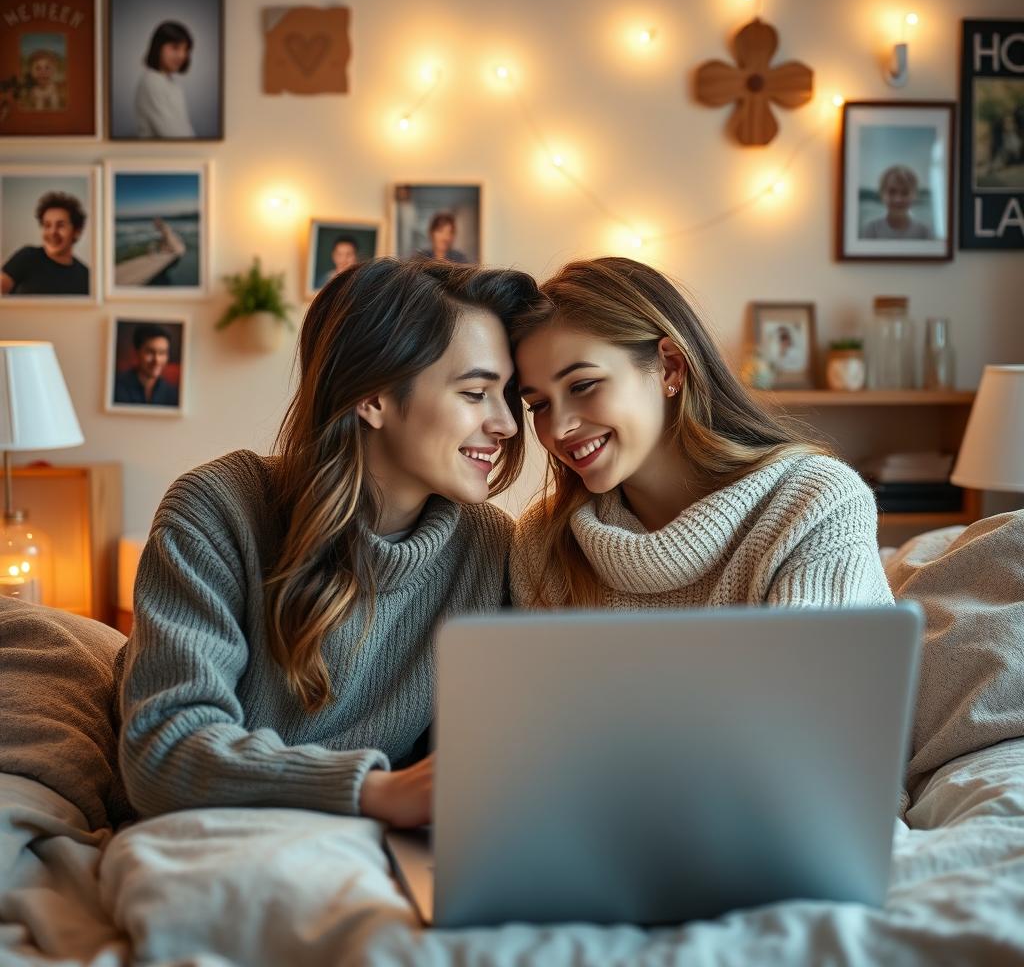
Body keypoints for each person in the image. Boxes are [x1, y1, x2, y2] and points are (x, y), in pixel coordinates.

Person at [118, 258, 539, 829]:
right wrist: (374, 790)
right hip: (223, 834)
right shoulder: (218, 509)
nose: (507, 425)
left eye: (507, 395)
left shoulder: (489, 549)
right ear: (372, 397)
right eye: (474, 393)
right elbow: (163, 755)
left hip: (385, 847)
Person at [511, 257, 894, 611]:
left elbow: (806, 681)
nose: (559, 428)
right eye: (539, 405)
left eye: (583, 386)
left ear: (670, 368)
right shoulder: (544, 542)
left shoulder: (816, 502)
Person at [1, 191, 89, 296]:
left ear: (76, 231)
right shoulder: (26, 257)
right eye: (47, 225)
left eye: (61, 225)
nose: (52, 232)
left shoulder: (86, 276)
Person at [135, 20, 196, 138]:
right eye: (175, 47)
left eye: (185, 50)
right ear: (158, 47)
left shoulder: (171, 83)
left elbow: (186, 129)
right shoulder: (151, 83)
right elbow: (174, 135)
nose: (182, 55)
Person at [113, 324, 180, 407]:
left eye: (162, 353)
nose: (157, 360)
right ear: (136, 353)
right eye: (150, 352)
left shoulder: (172, 394)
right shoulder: (116, 387)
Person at [861, 165, 932, 240]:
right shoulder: (872, 229)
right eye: (892, 192)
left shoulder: (924, 231)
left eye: (905, 193)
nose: (898, 199)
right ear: (882, 194)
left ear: (915, 196)